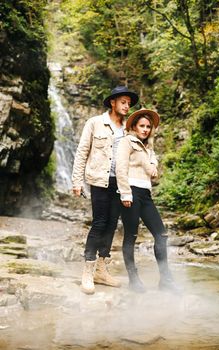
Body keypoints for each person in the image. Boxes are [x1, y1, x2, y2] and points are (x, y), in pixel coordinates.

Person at [72, 86, 139, 294]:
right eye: (123, 102)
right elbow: (82, 152)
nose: (127, 106)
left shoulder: (128, 129)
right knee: (99, 223)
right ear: (113, 102)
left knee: (111, 225)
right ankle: (88, 270)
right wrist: (77, 181)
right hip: (99, 181)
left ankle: (102, 269)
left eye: (129, 103)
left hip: (120, 183)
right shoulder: (95, 123)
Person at [116, 108, 178, 293]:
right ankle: (133, 280)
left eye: (148, 127)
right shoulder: (127, 141)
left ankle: (166, 280)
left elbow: (152, 167)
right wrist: (125, 193)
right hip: (131, 192)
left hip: (146, 194)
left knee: (161, 235)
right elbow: (120, 168)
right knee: (131, 236)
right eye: (142, 126)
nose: (145, 129)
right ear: (134, 126)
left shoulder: (148, 148)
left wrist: (153, 166)